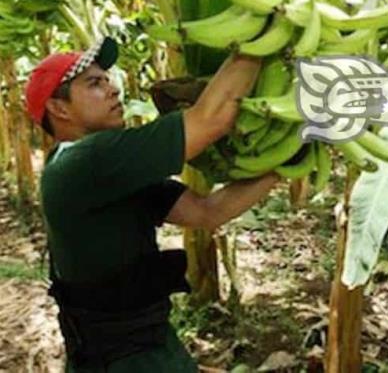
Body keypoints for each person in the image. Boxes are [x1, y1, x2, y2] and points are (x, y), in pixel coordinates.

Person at [24, 37, 279, 372]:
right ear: (59, 108)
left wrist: (284, 164)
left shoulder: (95, 167)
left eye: (107, 78)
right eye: (94, 84)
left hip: (139, 345)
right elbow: (211, 119)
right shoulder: (88, 159)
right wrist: (263, 37)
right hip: (125, 358)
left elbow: (207, 212)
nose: (113, 89)